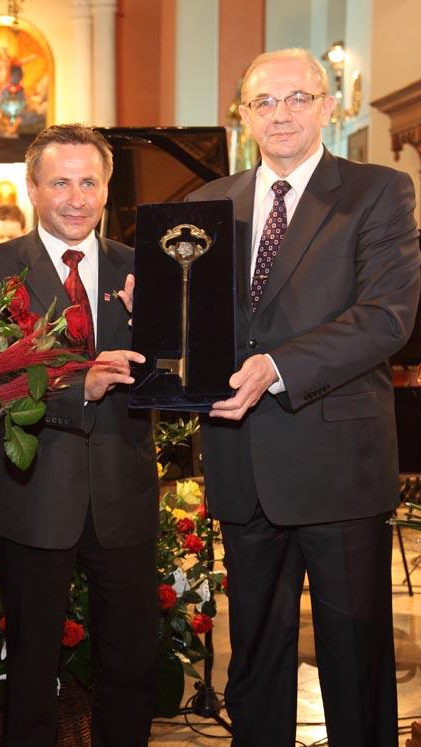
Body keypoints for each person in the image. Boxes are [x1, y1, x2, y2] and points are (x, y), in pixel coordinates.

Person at [187, 48, 420, 746]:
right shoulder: (207, 204)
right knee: (254, 659)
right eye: (264, 101)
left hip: (337, 460)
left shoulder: (378, 191)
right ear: (244, 116)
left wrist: (276, 366)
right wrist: (160, 312)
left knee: (354, 658)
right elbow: (200, 323)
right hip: (242, 460)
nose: (281, 113)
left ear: (328, 106)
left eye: (297, 97)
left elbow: (386, 318)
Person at [0, 124, 159, 747]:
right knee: (31, 668)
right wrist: (81, 390)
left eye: (89, 183)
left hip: (124, 496)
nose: (76, 199)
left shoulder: (143, 267)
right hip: (33, 497)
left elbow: (179, 373)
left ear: (107, 189)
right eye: (61, 183)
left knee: (131, 663)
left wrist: (162, 330)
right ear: (32, 187)